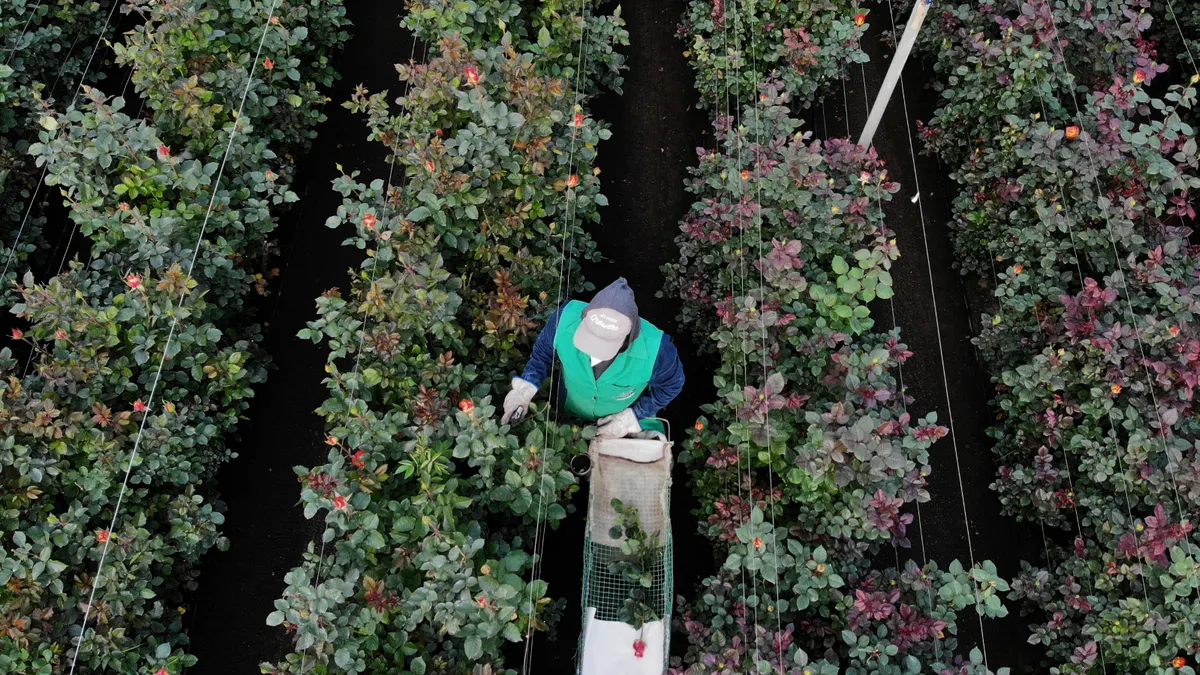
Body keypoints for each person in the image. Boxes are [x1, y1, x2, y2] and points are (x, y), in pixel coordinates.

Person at [500, 277, 685, 439]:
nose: (593, 354)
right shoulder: (562, 320)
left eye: (603, 346)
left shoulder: (659, 351)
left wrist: (632, 416)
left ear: (628, 338)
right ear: (584, 317)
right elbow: (542, 355)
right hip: (571, 407)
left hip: (617, 417)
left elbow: (672, 385)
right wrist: (525, 388)